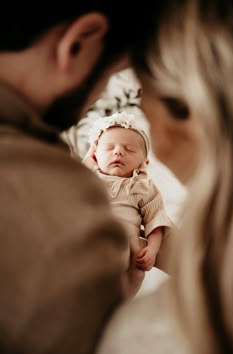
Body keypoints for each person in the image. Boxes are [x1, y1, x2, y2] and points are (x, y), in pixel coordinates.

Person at [0, 3, 160, 354]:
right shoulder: (63, 200)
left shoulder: (140, 187)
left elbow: (155, 215)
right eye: (112, 73)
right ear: (78, 44)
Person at [97, 1, 233, 354]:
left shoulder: (142, 335)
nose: (117, 154)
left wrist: (152, 244)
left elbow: (156, 217)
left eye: (145, 109)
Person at [83, 112, 172, 297]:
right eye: (108, 148)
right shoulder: (88, 178)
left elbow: (156, 221)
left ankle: (123, 301)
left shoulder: (143, 186)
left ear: (144, 163)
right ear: (94, 156)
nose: (118, 152)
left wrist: (153, 250)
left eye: (130, 149)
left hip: (130, 242)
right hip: (92, 235)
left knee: (136, 267)